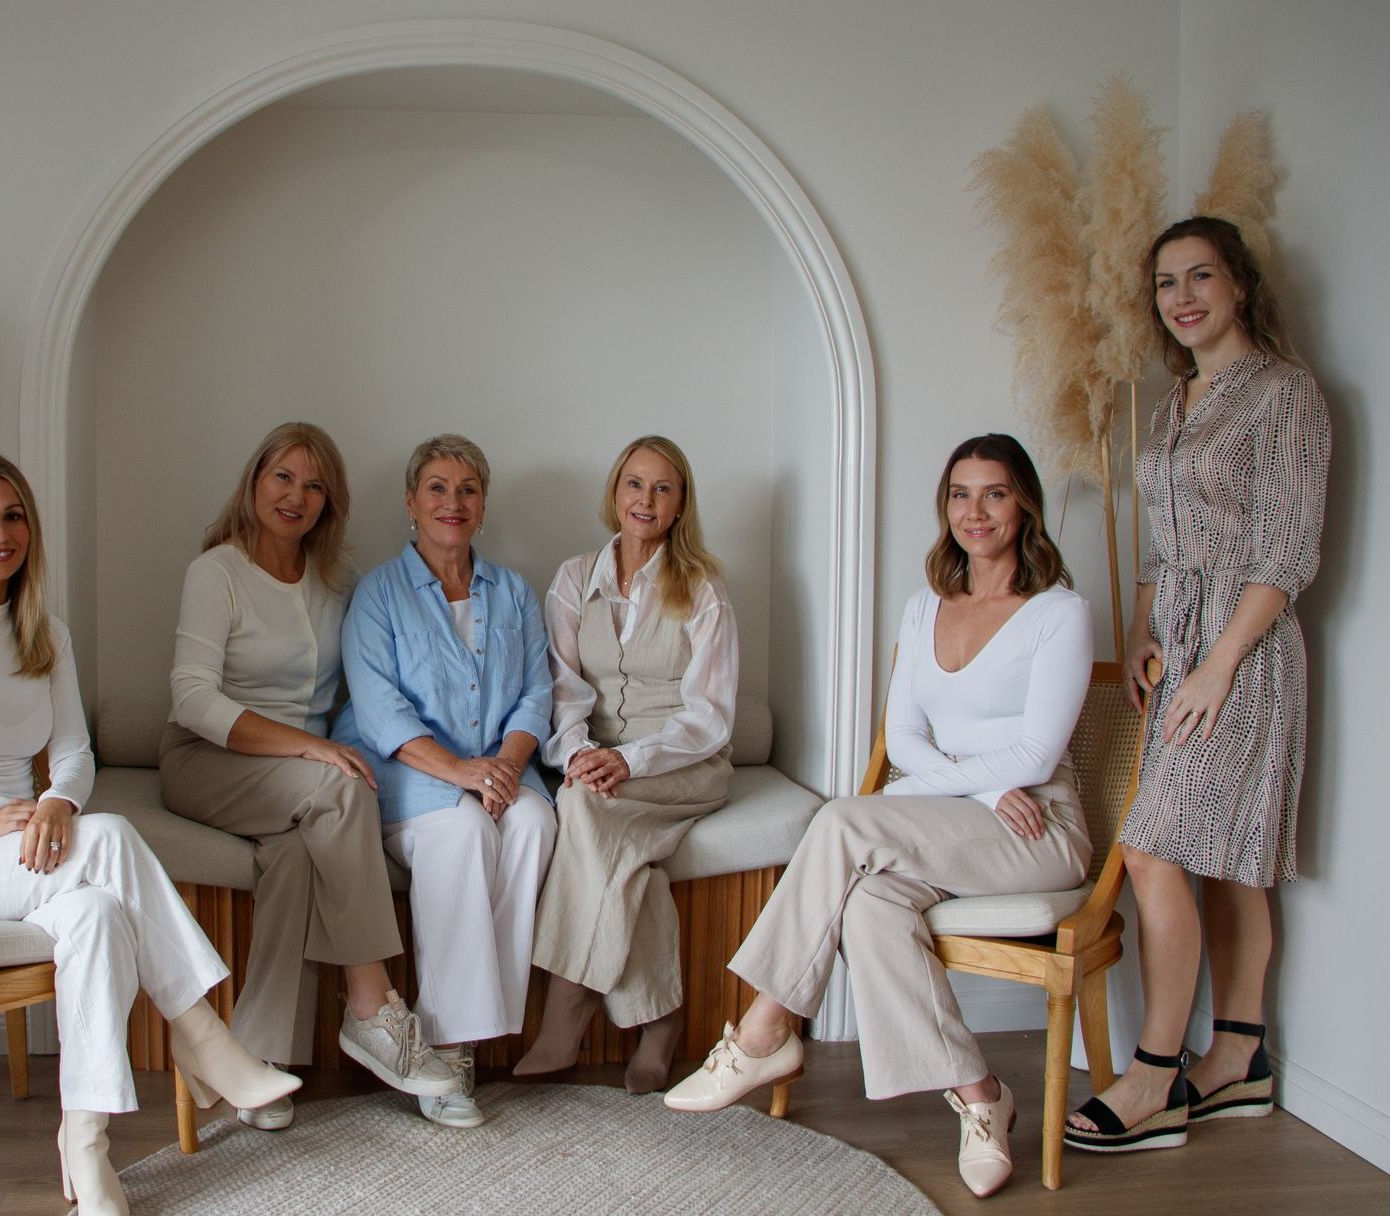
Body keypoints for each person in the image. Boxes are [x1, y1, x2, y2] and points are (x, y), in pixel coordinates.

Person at [0, 453, 297, 1216]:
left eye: (13, 516)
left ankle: (85, 1148)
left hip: (24, 856)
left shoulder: (43, 633)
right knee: (112, 839)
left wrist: (58, 802)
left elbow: (76, 752)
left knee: (98, 914)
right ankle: (205, 1038)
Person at [665, 434, 1092, 1200]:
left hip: (1038, 832)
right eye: (960, 494)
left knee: (841, 823)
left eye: (994, 493)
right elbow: (904, 739)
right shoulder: (926, 605)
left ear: (1023, 501)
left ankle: (763, 1030)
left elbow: (1036, 755)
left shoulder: (1058, 613)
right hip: (960, 817)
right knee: (867, 903)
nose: (976, 511)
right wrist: (983, 789)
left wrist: (992, 790)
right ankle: (981, 1095)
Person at [1066, 217, 1331, 1153]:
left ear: (1241, 285)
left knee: (1155, 849)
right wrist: (1144, 635)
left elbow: (1288, 548)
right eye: (1167, 283)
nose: (1182, 297)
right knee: (1217, 858)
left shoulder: (1286, 395)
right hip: (1177, 649)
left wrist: (1217, 664)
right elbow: (1161, 546)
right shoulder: (1176, 402)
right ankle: (1241, 1058)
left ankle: (1155, 1078)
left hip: (1244, 656)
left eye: (1201, 276)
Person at [159, 424, 456, 1130]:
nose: (296, 495)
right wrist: (310, 750)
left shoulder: (337, 583)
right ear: (255, 480)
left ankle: (261, 1063)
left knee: (293, 859)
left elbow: (365, 687)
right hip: (207, 760)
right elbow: (192, 700)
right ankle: (371, 1005)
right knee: (340, 786)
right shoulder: (217, 572)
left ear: (331, 502)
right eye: (283, 477)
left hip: (295, 780)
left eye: (314, 484)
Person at [335, 434, 557, 1128]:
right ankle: (448, 1047)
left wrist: (507, 768)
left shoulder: (514, 592)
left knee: (534, 822)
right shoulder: (378, 592)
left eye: (466, 489)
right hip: (412, 776)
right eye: (437, 487)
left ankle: (476, 1030)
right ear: (410, 502)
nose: (452, 502)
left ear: (483, 504)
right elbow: (379, 711)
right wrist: (462, 772)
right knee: (461, 830)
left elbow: (534, 696)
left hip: (499, 767)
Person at [513, 435, 738, 1094]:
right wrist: (583, 751)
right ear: (615, 494)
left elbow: (710, 717)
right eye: (635, 484)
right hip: (598, 754)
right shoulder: (574, 578)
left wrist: (629, 761)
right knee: (625, 852)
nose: (646, 499)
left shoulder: (704, 588)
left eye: (663, 488)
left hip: (683, 759)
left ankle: (567, 1008)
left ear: (680, 505)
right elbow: (561, 686)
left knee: (583, 807)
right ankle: (659, 1019)